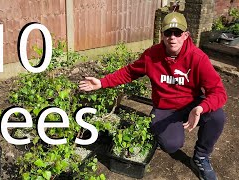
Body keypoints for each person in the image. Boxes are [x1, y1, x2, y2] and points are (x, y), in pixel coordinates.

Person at [79, 12, 227, 180]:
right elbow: (129, 72)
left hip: (192, 104)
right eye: (168, 33)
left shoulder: (198, 58)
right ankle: (157, 124)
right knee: (171, 145)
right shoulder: (152, 55)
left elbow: (219, 92)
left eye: (177, 33)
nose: (172, 38)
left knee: (217, 116)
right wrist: (102, 82)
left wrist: (201, 107)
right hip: (165, 106)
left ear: (185, 35)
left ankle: (201, 157)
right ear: (162, 35)